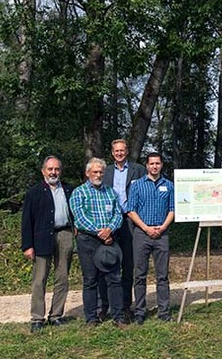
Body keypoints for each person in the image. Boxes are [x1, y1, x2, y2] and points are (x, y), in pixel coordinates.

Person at [69, 158, 126, 326]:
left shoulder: (110, 192)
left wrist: (109, 230)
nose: (98, 175)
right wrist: (100, 232)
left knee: (114, 278)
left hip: (109, 240)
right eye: (95, 172)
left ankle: (118, 316)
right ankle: (92, 318)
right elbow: (79, 217)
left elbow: (117, 214)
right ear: (88, 173)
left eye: (101, 172)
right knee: (90, 280)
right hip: (88, 241)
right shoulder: (79, 192)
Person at [21, 155, 75, 332]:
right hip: (42, 238)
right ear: (43, 171)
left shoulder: (68, 189)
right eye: (50, 169)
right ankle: (37, 317)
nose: (54, 172)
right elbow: (26, 221)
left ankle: (56, 315)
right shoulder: (34, 192)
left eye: (57, 169)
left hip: (65, 234)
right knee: (39, 279)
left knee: (62, 277)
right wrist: (27, 245)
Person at [99, 138, 146, 320]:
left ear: (127, 152)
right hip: (109, 221)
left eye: (122, 150)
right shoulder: (106, 172)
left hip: (130, 221)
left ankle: (126, 305)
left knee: (128, 264)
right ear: (112, 153)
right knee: (106, 263)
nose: (119, 153)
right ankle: (104, 306)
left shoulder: (138, 170)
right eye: (116, 151)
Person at [126, 152, 175, 324]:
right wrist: (146, 228)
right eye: (151, 163)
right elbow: (131, 210)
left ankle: (164, 311)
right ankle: (140, 311)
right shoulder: (137, 185)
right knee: (139, 275)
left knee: (162, 275)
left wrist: (162, 228)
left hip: (162, 234)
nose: (154, 166)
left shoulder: (169, 186)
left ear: (162, 165)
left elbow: (172, 209)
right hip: (141, 233)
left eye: (158, 163)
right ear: (146, 166)